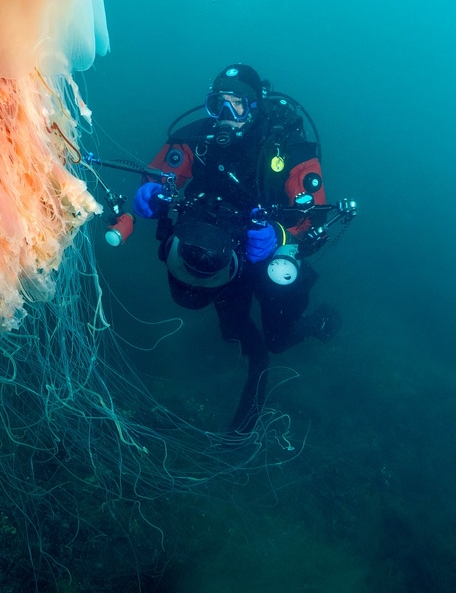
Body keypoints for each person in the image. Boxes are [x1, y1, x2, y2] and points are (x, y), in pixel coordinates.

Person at [133, 64, 342, 434]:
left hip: (266, 258)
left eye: (237, 106)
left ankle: (314, 324)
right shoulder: (196, 140)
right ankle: (246, 344)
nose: (226, 117)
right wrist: (149, 196)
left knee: (277, 339)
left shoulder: (289, 153)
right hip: (221, 250)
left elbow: (315, 218)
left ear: (256, 107)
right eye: (218, 105)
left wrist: (280, 235)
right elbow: (158, 176)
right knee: (231, 328)